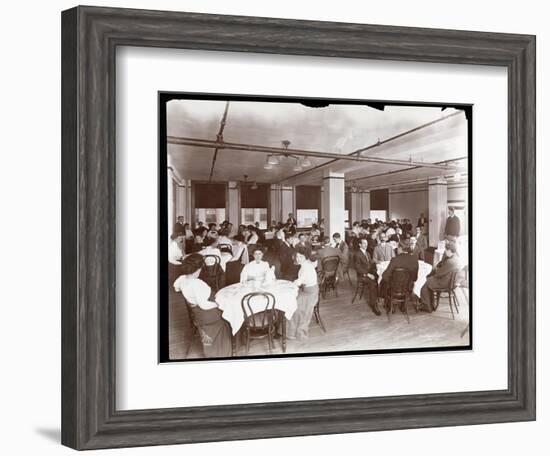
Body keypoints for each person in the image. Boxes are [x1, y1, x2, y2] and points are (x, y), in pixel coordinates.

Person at [173, 254, 232, 358]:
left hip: (197, 314)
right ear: (199, 269)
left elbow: (176, 287)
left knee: (208, 336)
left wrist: (191, 299)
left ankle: (210, 351)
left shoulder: (182, 279)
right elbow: (204, 305)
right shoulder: (197, 283)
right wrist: (218, 304)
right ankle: (223, 353)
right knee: (229, 317)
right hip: (207, 314)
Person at [286, 246, 319, 340]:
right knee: (291, 302)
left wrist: (290, 284)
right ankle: (290, 330)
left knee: (293, 307)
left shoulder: (306, 267)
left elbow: (298, 282)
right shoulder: (306, 264)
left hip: (310, 294)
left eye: (300, 257)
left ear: (306, 257)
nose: (298, 259)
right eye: (297, 256)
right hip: (308, 290)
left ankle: (292, 333)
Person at [419, 241, 461, 312]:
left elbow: (439, 273)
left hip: (444, 282)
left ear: (450, 251)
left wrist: (436, 268)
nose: (445, 251)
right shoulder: (456, 258)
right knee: (428, 281)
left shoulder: (450, 261)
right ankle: (430, 304)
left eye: (446, 250)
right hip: (450, 281)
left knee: (425, 284)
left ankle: (427, 306)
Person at [379, 244, 419, 310]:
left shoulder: (395, 259)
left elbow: (385, 276)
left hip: (394, 289)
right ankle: (403, 305)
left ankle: (389, 305)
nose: (397, 249)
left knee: (383, 281)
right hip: (407, 289)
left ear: (400, 248)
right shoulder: (414, 259)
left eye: (397, 248)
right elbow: (415, 278)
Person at [354, 238, 380, 315]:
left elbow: (371, 264)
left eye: (366, 243)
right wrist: (368, 274)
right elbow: (358, 268)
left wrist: (377, 263)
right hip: (362, 275)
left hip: (369, 273)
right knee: (372, 282)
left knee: (383, 277)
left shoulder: (368, 253)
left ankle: (379, 297)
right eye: (364, 243)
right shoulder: (357, 254)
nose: (366, 245)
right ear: (360, 244)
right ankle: (373, 304)